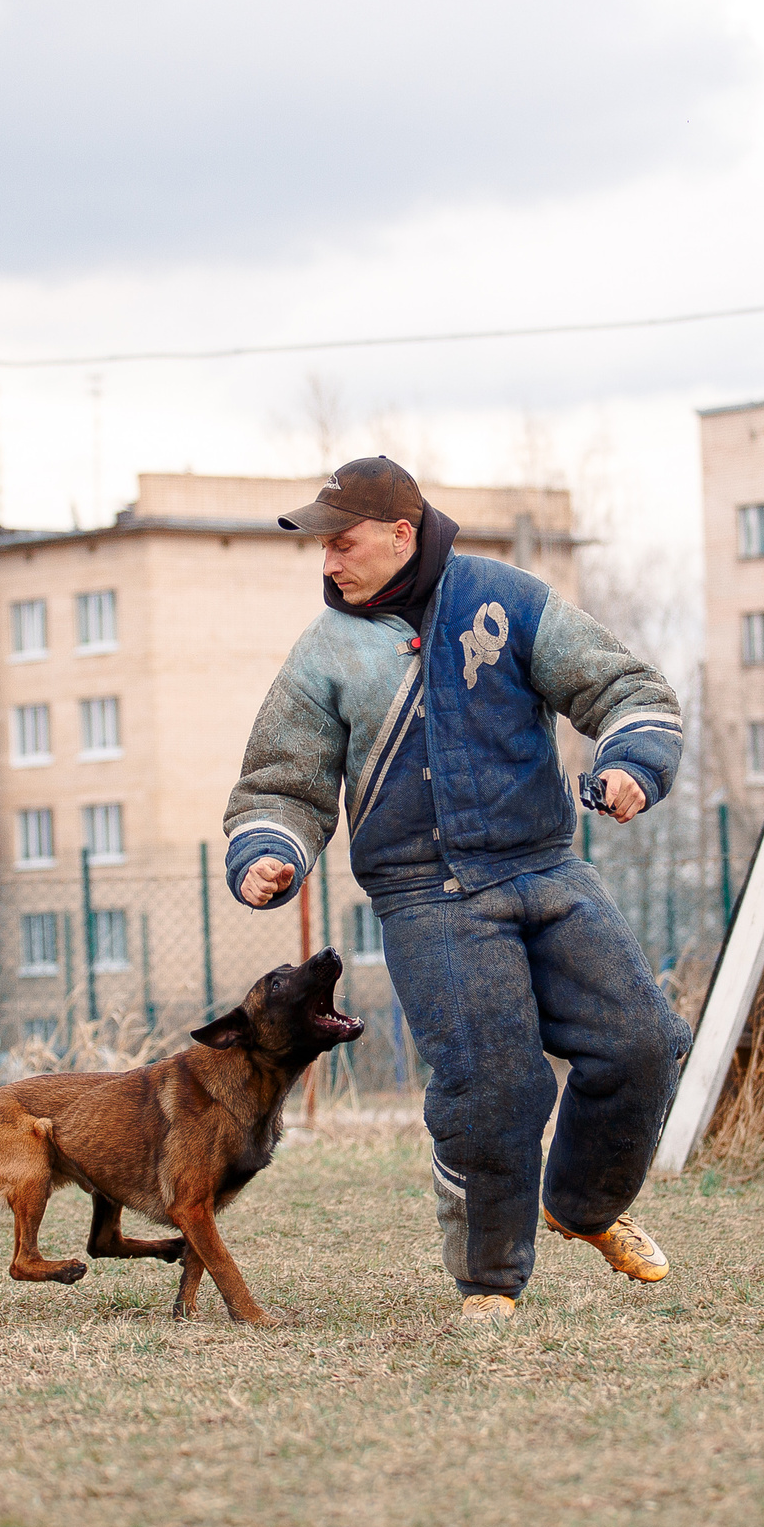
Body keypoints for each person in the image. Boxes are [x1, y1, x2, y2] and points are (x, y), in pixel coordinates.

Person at [224, 457, 691, 1323]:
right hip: (425, 897)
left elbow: (626, 687)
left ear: (402, 535)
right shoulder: (326, 652)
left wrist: (630, 762)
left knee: (642, 1041)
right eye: (323, 544)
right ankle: (491, 1281)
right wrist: (267, 850)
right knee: (494, 1083)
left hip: (546, 866)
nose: (328, 561)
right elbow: (279, 785)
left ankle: (582, 1206)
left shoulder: (504, 599)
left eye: (343, 540)